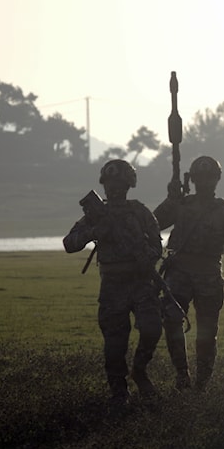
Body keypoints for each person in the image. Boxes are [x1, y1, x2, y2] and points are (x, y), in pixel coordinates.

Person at [63, 159, 164, 405]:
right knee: (114, 345)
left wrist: (146, 256)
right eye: (109, 184)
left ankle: (139, 370)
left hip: (141, 282)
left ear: (128, 185)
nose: (114, 189)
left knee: (152, 329)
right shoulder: (96, 215)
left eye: (119, 184)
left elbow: (157, 246)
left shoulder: (139, 211)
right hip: (112, 286)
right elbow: (69, 243)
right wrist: (93, 232)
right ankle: (119, 392)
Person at [153, 155, 224, 392]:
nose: (205, 182)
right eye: (200, 177)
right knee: (171, 320)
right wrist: (170, 198)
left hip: (208, 273)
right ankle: (182, 374)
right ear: (192, 179)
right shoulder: (181, 204)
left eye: (209, 177)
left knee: (207, 332)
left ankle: (202, 383)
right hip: (179, 271)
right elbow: (154, 223)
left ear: (217, 179)